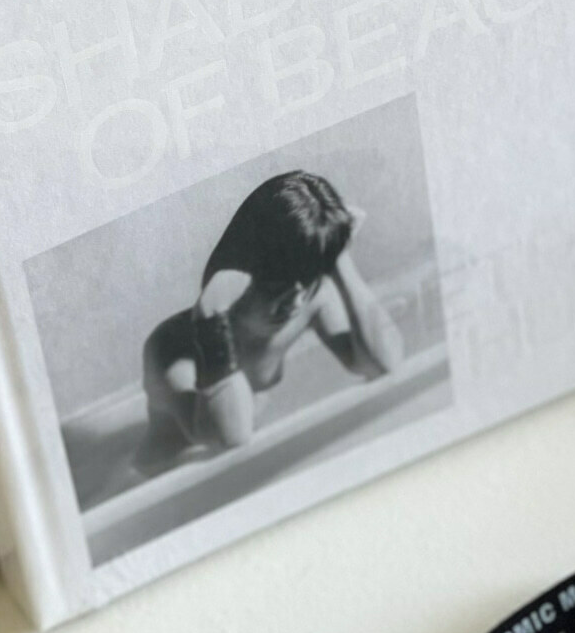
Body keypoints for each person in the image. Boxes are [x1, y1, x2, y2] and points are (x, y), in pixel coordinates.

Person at [136, 170, 404, 473]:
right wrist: (210, 316)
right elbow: (232, 437)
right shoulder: (171, 347)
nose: (296, 302)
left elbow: (385, 363)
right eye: (277, 286)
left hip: (232, 465)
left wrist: (336, 256)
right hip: (159, 475)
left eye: (308, 280)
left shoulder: (309, 297)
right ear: (241, 273)